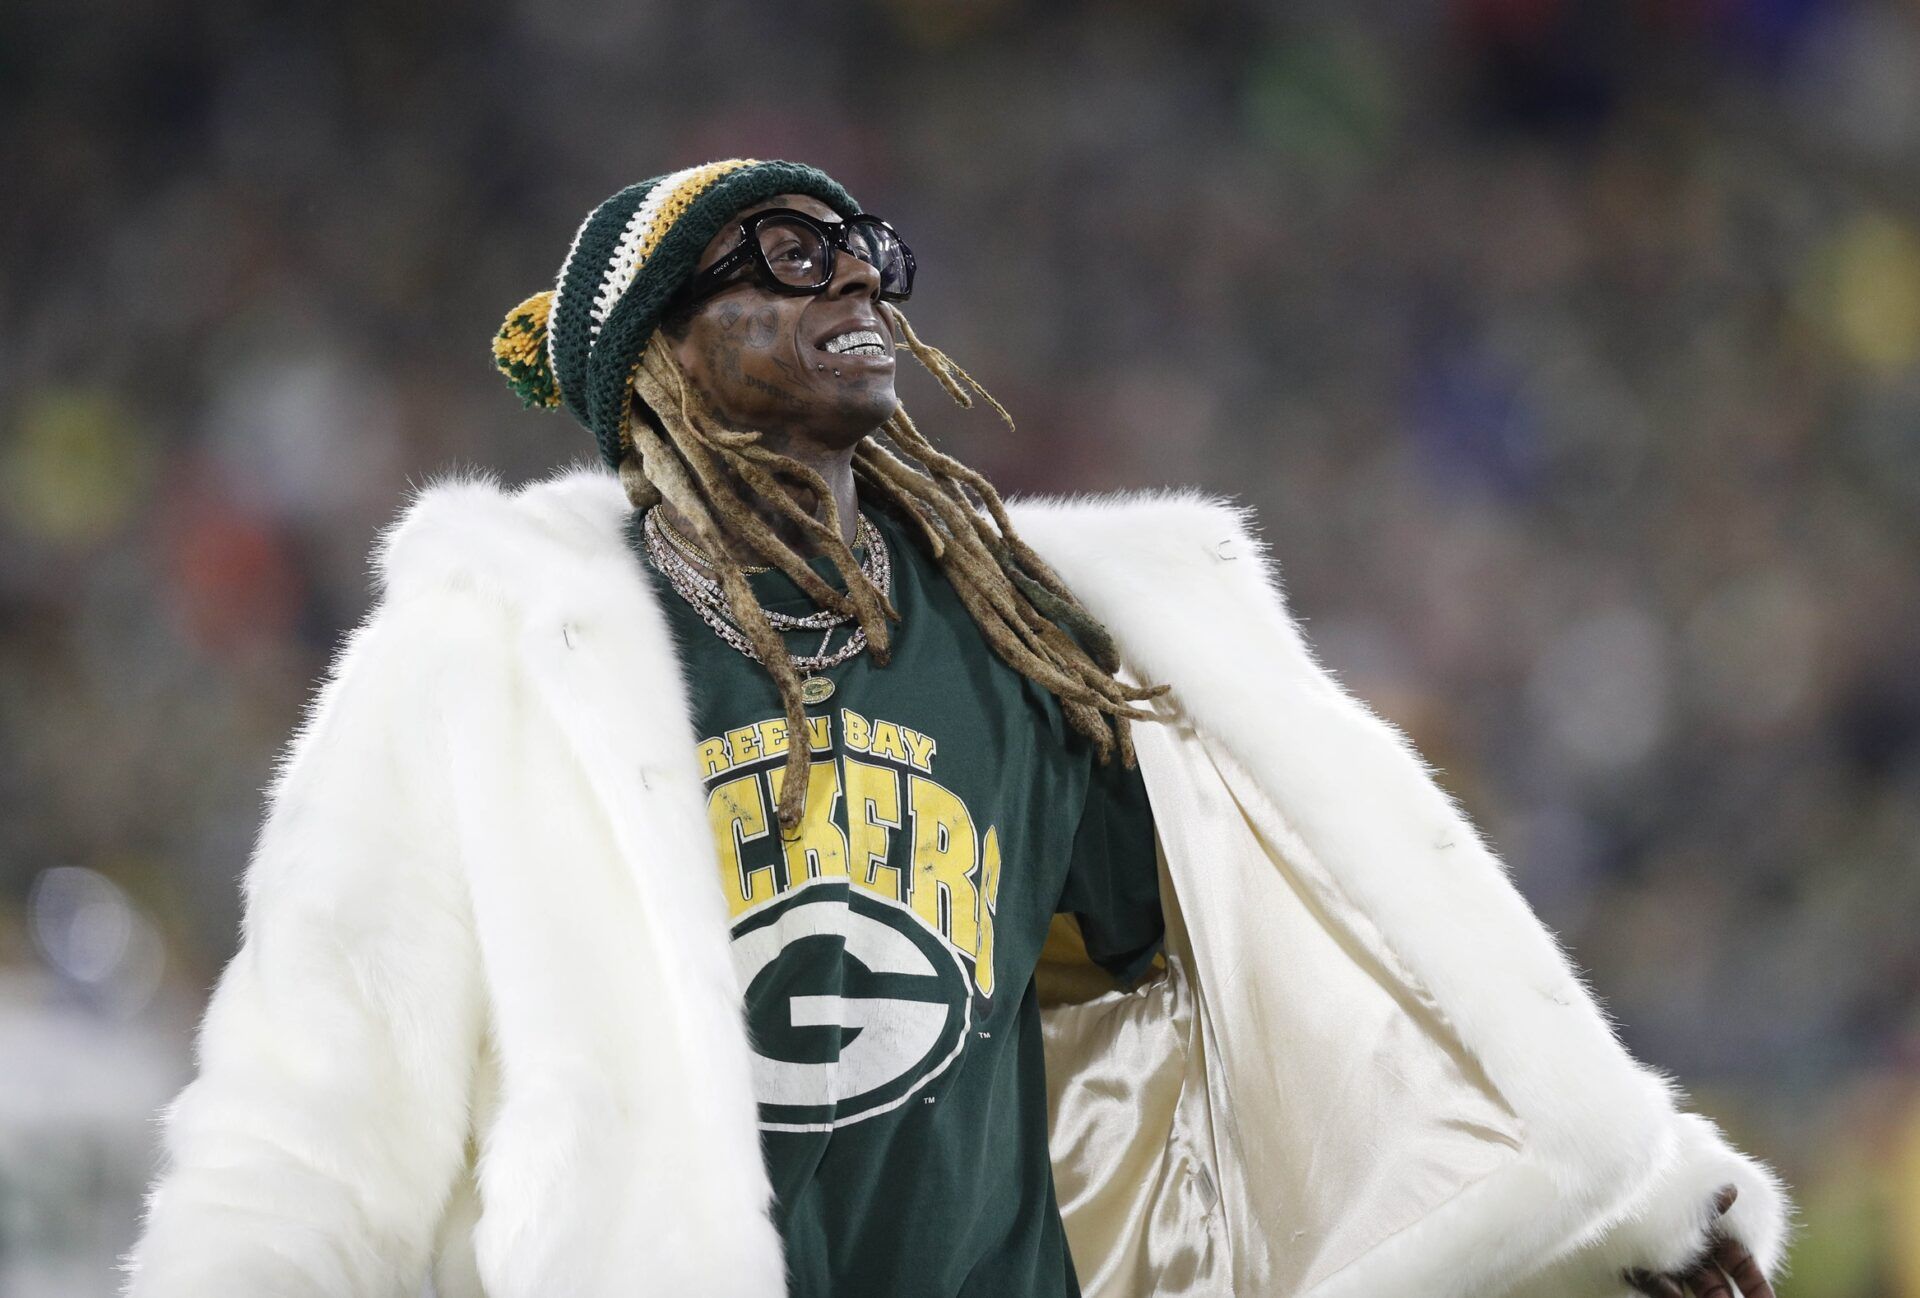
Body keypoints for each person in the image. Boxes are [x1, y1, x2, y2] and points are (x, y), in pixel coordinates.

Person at [123, 159, 1789, 1298]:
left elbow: (1283, 967)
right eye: (782, 251)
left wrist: (1618, 1193)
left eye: (865, 248)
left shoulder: (1026, 636)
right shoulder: (497, 658)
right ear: (652, 344)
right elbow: (319, 1092)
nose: (849, 265)